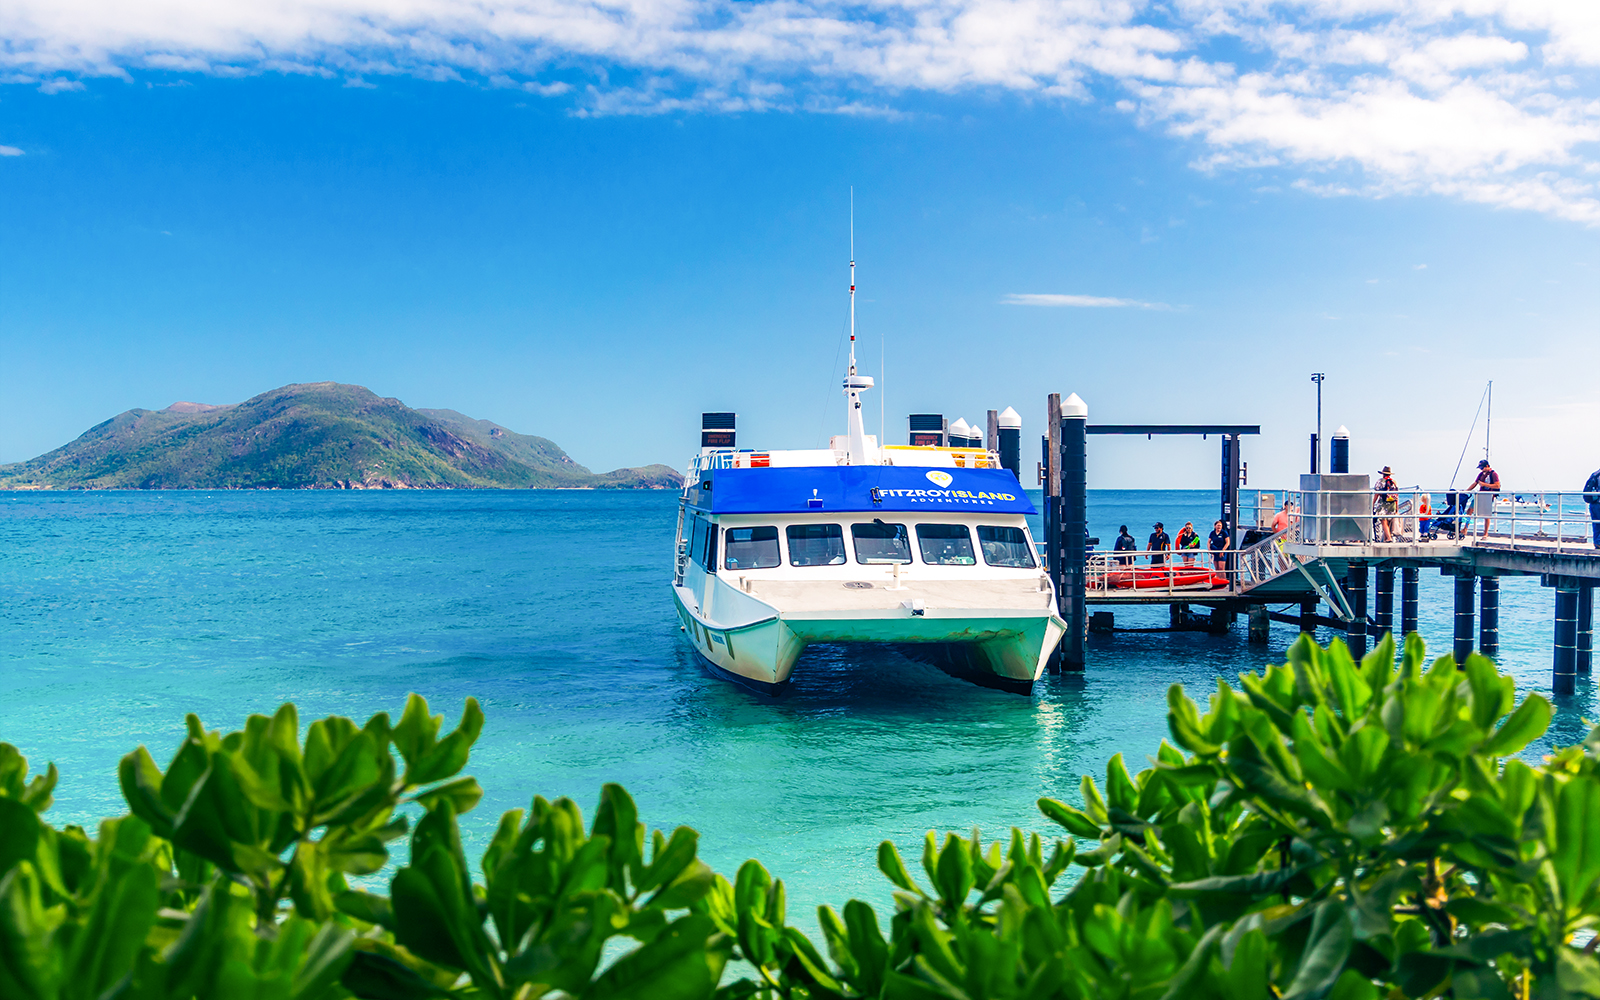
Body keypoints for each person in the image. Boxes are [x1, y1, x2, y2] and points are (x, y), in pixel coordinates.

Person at [1468, 459, 1500, 538]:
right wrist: (1466, 490)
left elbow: (1497, 485)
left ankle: (1485, 533)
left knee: (1486, 515)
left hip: (1488, 496)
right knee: (1470, 510)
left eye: (1482, 468)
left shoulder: (1493, 474)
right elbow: (1475, 483)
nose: (1481, 469)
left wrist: (1484, 484)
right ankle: (1465, 528)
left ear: (1487, 466)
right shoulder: (1481, 474)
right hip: (1480, 495)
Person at [1375, 466, 1398, 542]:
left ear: (1382, 474)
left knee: (1383, 521)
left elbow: (1377, 494)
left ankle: (1389, 538)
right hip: (1392, 504)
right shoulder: (1394, 482)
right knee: (1387, 522)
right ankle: (1386, 539)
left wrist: (1372, 503)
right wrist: (1396, 507)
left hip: (1383, 503)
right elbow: (1396, 495)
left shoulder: (1380, 482)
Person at [1585, 468, 1600, 549]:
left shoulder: (1595, 474)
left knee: (1596, 524)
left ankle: (1597, 543)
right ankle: (1598, 542)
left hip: (1593, 503)